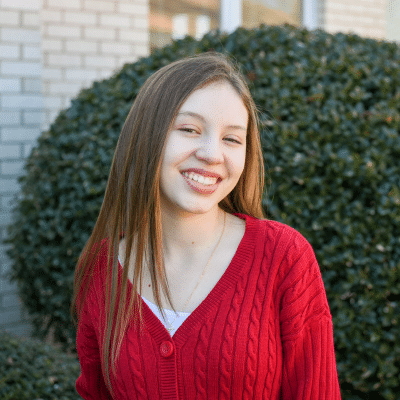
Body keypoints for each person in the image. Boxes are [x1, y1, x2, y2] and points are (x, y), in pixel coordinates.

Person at [71, 51, 341, 399]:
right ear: (146, 137)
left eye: (232, 138)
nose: (212, 153)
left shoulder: (283, 257)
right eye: (189, 129)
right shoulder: (101, 268)